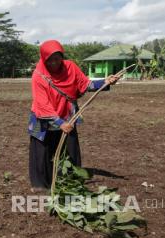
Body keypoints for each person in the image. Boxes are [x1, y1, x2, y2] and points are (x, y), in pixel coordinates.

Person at [28, 40, 119, 191]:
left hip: (67, 114)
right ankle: (40, 185)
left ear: (62, 56)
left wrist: (105, 82)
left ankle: (69, 180)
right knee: (41, 151)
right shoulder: (38, 75)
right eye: (50, 59)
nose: (54, 63)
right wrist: (59, 122)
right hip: (43, 118)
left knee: (69, 149)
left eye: (57, 58)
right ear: (44, 58)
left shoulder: (70, 67)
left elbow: (85, 84)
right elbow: (42, 104)